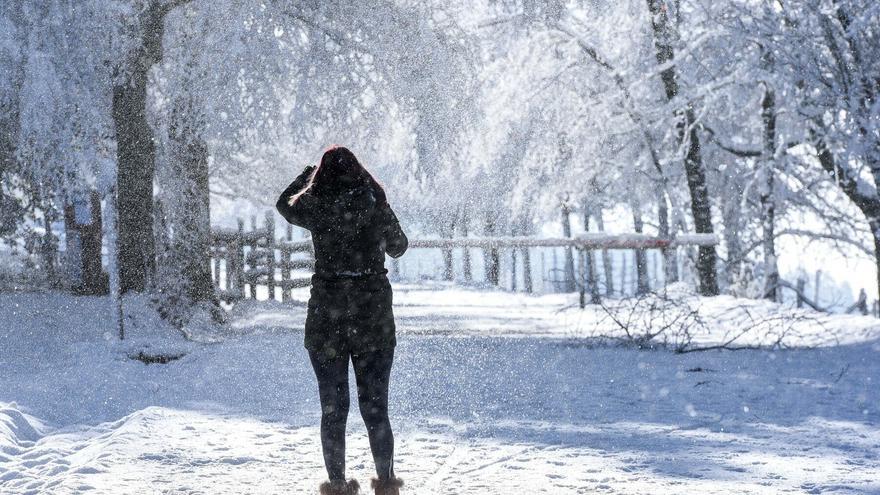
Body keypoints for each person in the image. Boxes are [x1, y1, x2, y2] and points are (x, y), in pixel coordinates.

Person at [276, 146, 408, 495]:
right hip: (373, 318)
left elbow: (283, 204)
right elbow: (399, 247)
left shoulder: (316, 205)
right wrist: (381, 207)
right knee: (375, 407)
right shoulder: (373, 205)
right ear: (359, 172)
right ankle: (386, 483)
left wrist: (306, 175)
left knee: (333, 409)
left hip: (327, 320)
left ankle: (337, 485)